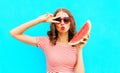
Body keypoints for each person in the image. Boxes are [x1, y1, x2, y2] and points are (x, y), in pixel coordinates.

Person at [10, 8, 90, 73]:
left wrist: (79, 49)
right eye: (58, 20)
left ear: (70, 22)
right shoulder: (46, 42)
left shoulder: (77, 44)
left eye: (66, 19)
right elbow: (14, 33)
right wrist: (39, 20)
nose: (62, 23)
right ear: (54, 23)